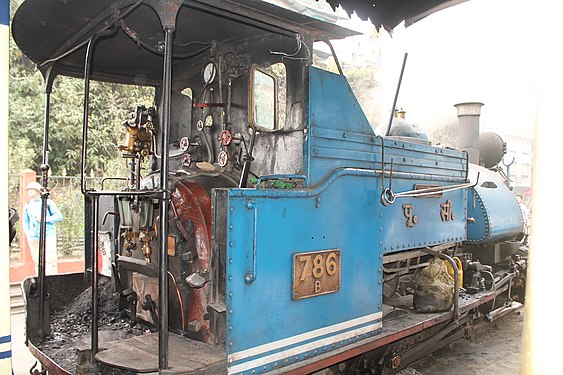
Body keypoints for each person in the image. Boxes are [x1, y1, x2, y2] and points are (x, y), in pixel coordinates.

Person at [22, 181, 63, 275]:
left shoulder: (48, 203)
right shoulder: (28, 205)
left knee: (50, 260)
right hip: (34, 237)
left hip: (48, 235)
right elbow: (25, 221)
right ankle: (39, 280)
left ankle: (52, 280)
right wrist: (28, 233)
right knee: (37, 261)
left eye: (32, 189)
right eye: (28, 189)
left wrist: (45, 219)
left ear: (37, 190)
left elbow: (58, 216)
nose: (29, 191)